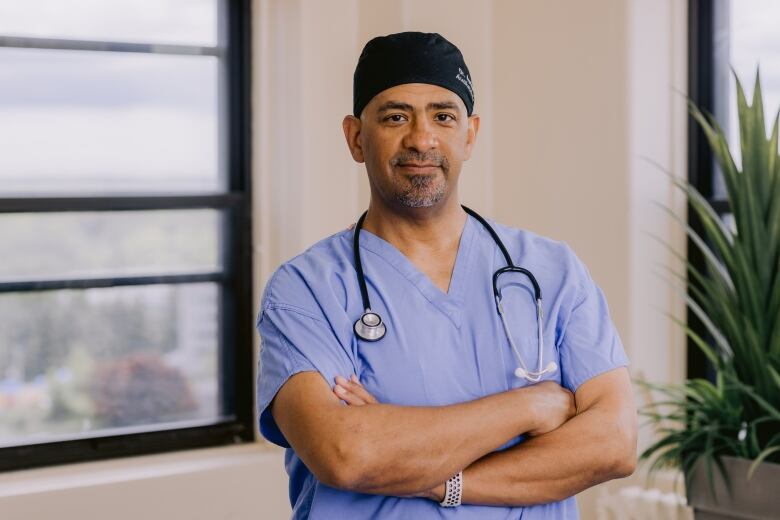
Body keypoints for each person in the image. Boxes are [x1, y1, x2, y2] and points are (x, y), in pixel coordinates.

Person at [256, 31, 637, 519]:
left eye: (443, 116)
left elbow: (614, 443)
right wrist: (531, 408)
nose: (421, 138)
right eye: (395, 117)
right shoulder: (306, 290)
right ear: (355, 137)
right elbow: (347, 454)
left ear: (470, 134)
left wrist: (439, 479)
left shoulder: (552, 272)